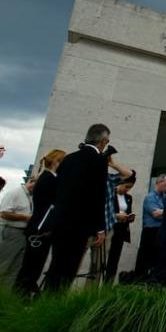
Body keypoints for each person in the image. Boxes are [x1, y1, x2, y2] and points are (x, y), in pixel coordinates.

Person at [43, 125, 113, 291]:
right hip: (80, 224)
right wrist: (100, 228)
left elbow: (58, 190)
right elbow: (98, 196)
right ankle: (56, 304)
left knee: (56, 264)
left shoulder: (69, 158)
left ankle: (45, 300)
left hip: (60, 221)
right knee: (69, 267)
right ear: (103, 141)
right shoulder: (99, 161)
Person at [14, 149, 65, 294]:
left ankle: (24, 291)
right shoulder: (49, 179)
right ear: (57, 162)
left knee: (35, 265)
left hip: (41, 226)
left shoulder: (49, 177)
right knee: (32, 266)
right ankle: (21, 293)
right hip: (40, 228)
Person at [0, 175, 34, 285]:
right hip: (11, 231)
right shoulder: (15, 193)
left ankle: (4, 294)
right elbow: (4, 213)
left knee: (13, 269)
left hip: (22, 234)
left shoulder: (29, 197)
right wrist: (25, 217)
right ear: (31, 182)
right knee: (0, 266)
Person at [134, 174, 166, 280]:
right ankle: (140, 279)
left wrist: (163, 212)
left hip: (160, 230)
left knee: (156, 257)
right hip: (150, 230)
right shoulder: (150, 197)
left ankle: (151, 278)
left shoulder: (164, 197)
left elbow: (164, 214)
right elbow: (155, 214)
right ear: (159, 182)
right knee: (146, 256)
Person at [105, 173, 137, 283]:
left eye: (130, 188)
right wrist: (116, 215)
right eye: (126, 187)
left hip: (121, 230)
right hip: (110, 227)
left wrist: (129, 217)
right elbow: (105, 211)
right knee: (103, 257)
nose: (127, 190)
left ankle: (108, 283)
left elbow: (128, 211)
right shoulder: (110, 193)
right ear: (120, 183)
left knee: (114, 259)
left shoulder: (128, 198)